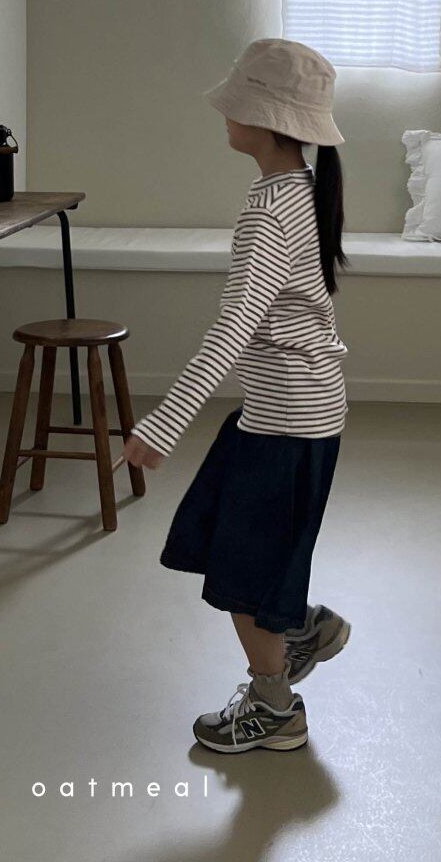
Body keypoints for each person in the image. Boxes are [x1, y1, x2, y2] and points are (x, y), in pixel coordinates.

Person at [123, 38, 351, 754]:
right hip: (291, 412)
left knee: (241, 572)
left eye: (237, 101)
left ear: (267, 119)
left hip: (286, 422)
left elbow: (234, 327)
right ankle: (301, 624)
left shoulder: (270, 211)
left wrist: (163, 423)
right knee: (226, 541)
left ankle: (276, 709)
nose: (224, 112)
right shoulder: (298, 190)